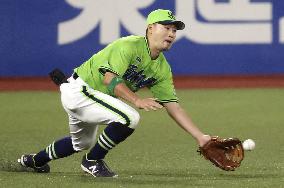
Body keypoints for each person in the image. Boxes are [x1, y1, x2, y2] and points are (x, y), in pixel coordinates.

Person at [18, 9, 211, 177]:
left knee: (81, 142)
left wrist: (200, 136)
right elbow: (109, 79)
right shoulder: (128, 46)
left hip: (91, 98)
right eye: (166, 27)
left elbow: (173, 107)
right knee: (129, 117)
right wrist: (136, 100)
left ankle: (34, 160)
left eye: (174, 30)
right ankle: (92, 161)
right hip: (81, 91)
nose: (171, 33)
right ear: (151, 28)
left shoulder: (162, 69)